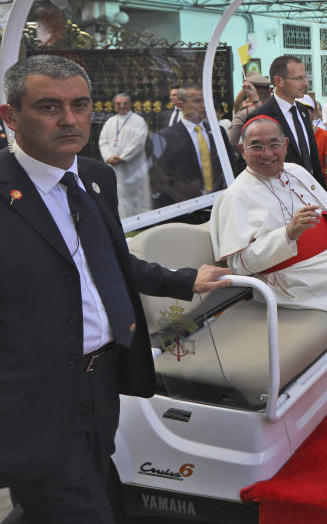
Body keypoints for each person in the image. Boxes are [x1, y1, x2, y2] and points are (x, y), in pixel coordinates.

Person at [0, 55, 230, 522]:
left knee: (68, 492)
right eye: (48, 107)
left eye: (80, 105)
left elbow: (107, 260)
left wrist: (184, 279)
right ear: (11, 117)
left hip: (103, 378)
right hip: (34, 395)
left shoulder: (94, 178)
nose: (69, 120)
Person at [211, 116, 327, 401]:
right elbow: (240, 265)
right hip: (288, 279)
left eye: (274, 144)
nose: (267, 154)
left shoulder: (296, 172)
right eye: (257, 147)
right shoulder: (235, 196)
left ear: (286, 145)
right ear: (242, 150)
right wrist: (287, 234)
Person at [150, 83, 239, 211]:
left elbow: (231, 164)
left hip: (219, 202)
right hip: (185, 207)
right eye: (197, 101)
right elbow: (161, 178)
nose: (203, 105)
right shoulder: (166, 137)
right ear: (180, 105)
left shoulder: (217, 131)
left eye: (205, 100)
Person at [247, 56, 327, 186]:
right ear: (279, 81)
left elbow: (312, 159)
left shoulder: (302, 111)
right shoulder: (262, 116)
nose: (305, 84)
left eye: (305, 78)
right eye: (299, 79)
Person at [97, 92, 151, 218]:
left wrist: (123, 157)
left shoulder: (138, 121)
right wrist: (108, 157)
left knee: (136, 193)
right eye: (118, 104)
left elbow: (139, 142)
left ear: (130, 104)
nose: (121, 106)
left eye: (125, 103)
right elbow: (103, 141)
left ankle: (141, 220)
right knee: (118, 194)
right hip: (114, 165)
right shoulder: (110, 121)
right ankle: (122, 219)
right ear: (114, 105)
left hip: (133, 166)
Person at [227, 73, 272, 146]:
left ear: (247, 92)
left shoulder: (245, 113)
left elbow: (231, 142)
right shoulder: (280, 108)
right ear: (270, 90)